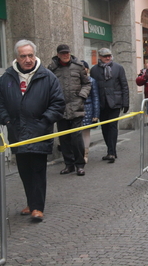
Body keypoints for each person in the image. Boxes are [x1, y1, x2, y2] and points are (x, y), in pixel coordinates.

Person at [0, 39, 65, 221]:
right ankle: (31, 202)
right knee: (24, 170)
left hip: (40, 132)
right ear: (17, 57)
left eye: (30, 55)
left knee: (37, 170)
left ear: (35, 55)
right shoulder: (7, 78)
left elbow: (58, 104)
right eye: (23, 56)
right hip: (17, 133)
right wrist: (6, 119)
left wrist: (44, 121)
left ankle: (38, 207)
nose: (27, 59)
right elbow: (1, 103)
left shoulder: (47, 76)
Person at [48, 44, 91, 176]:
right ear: (58, 54)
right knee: (64, 138)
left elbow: (87, 83)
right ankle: (69, 164)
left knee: (76, 137)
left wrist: (82, 96)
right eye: (63, 53)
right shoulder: (52, 69)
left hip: (76, 106)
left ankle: (80, 164)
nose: (66, 55)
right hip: (60, 109)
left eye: (67, 53)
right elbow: (48, 86)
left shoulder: (78, 66)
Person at [90, 48, 130, 163]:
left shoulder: (118, 68)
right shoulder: (94, 70)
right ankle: (110, 150)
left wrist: (125, 103)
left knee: (112, 127)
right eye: (105, 56)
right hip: (102, 104)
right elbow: (93, 89)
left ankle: (111, 152)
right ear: (99, 57)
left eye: (109, 56)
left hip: (115, 103)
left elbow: (124, 86)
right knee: (105, 128)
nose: (108, 58)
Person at [81, 60, 100, 163]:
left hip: (88, 109)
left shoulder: (92, 81)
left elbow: (95, 98)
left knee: (86, 133)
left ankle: (85, 154)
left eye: (84, 68)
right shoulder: (75, 80)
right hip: (77, 110)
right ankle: (78, 153)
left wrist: (96, 114)